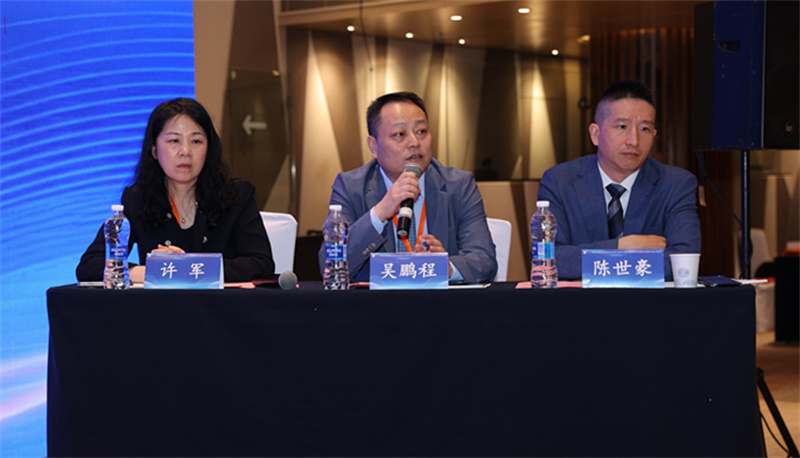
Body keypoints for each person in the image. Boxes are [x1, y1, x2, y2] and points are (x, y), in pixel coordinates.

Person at [76, 98, 275, 283]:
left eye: (196, 141)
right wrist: (147, 271)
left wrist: (186, 267)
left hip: (220, 307)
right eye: (174, 141)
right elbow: (90, 265)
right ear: (155, 150)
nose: (185, 152)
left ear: (209, 149)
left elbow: (261, 264)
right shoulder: (138, 199)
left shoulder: (236, 196)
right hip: (163, 308)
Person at [318, 91, 497, 284]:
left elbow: (484, 260)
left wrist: (446, 268)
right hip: (376, 303)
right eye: (400, 134)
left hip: (439, 302)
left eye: (421, 131)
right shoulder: (349, 187)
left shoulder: (459, 185)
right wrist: (379, 213)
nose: (414, 143)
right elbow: (330, 265)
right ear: (374, 147)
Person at [537, 80, 701, 280]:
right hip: (581, 300)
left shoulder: (676, 184)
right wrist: (623, 246)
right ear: (595, 134)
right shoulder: (560, 181)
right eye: (622, 126)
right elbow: (548, 261)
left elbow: (683, 264)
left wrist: (595, 259)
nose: (634, 141)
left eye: (644, 129)